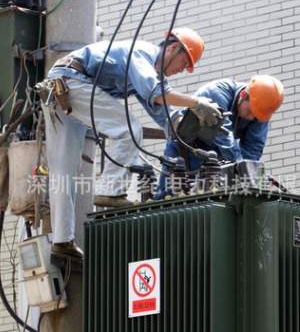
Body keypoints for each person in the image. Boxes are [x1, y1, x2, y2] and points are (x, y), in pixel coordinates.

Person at [40, 28, 221, 257]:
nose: (181, 70)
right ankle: (111, 191)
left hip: (62, 87)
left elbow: (158, 107)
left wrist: (181, 125)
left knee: (64, 169)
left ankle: (62, 240)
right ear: (174, 48)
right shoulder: (142, 52)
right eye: (184, 63)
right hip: (72, 82)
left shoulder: (145, 70)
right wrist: (195, 103)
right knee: (129, 129)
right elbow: (156, 93)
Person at [154, 75, 284, 199]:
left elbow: (253, 148)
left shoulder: (260, 112)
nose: (251, 118)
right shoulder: (216, 93)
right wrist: (240, 168)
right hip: (183, 151)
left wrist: (247, 177)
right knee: (166, 198)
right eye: (250, 112)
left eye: (257, 116)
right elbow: (224, 138)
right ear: (243, 95)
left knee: (208, 204)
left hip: (214, 159)